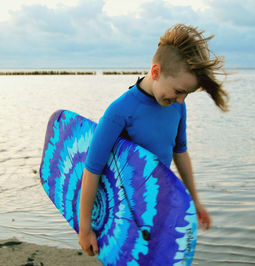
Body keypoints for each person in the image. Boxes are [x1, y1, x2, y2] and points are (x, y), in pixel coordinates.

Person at [78, 23, 229, 257]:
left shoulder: (177, 107)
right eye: (178, 91)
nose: (180, 100)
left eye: (186, 94)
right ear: (156, 72)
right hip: (123, 213)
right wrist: (85, 227)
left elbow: (180, 152)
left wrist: (194, 201)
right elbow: (92, 169)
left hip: (157, 203)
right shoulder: (120, 111)